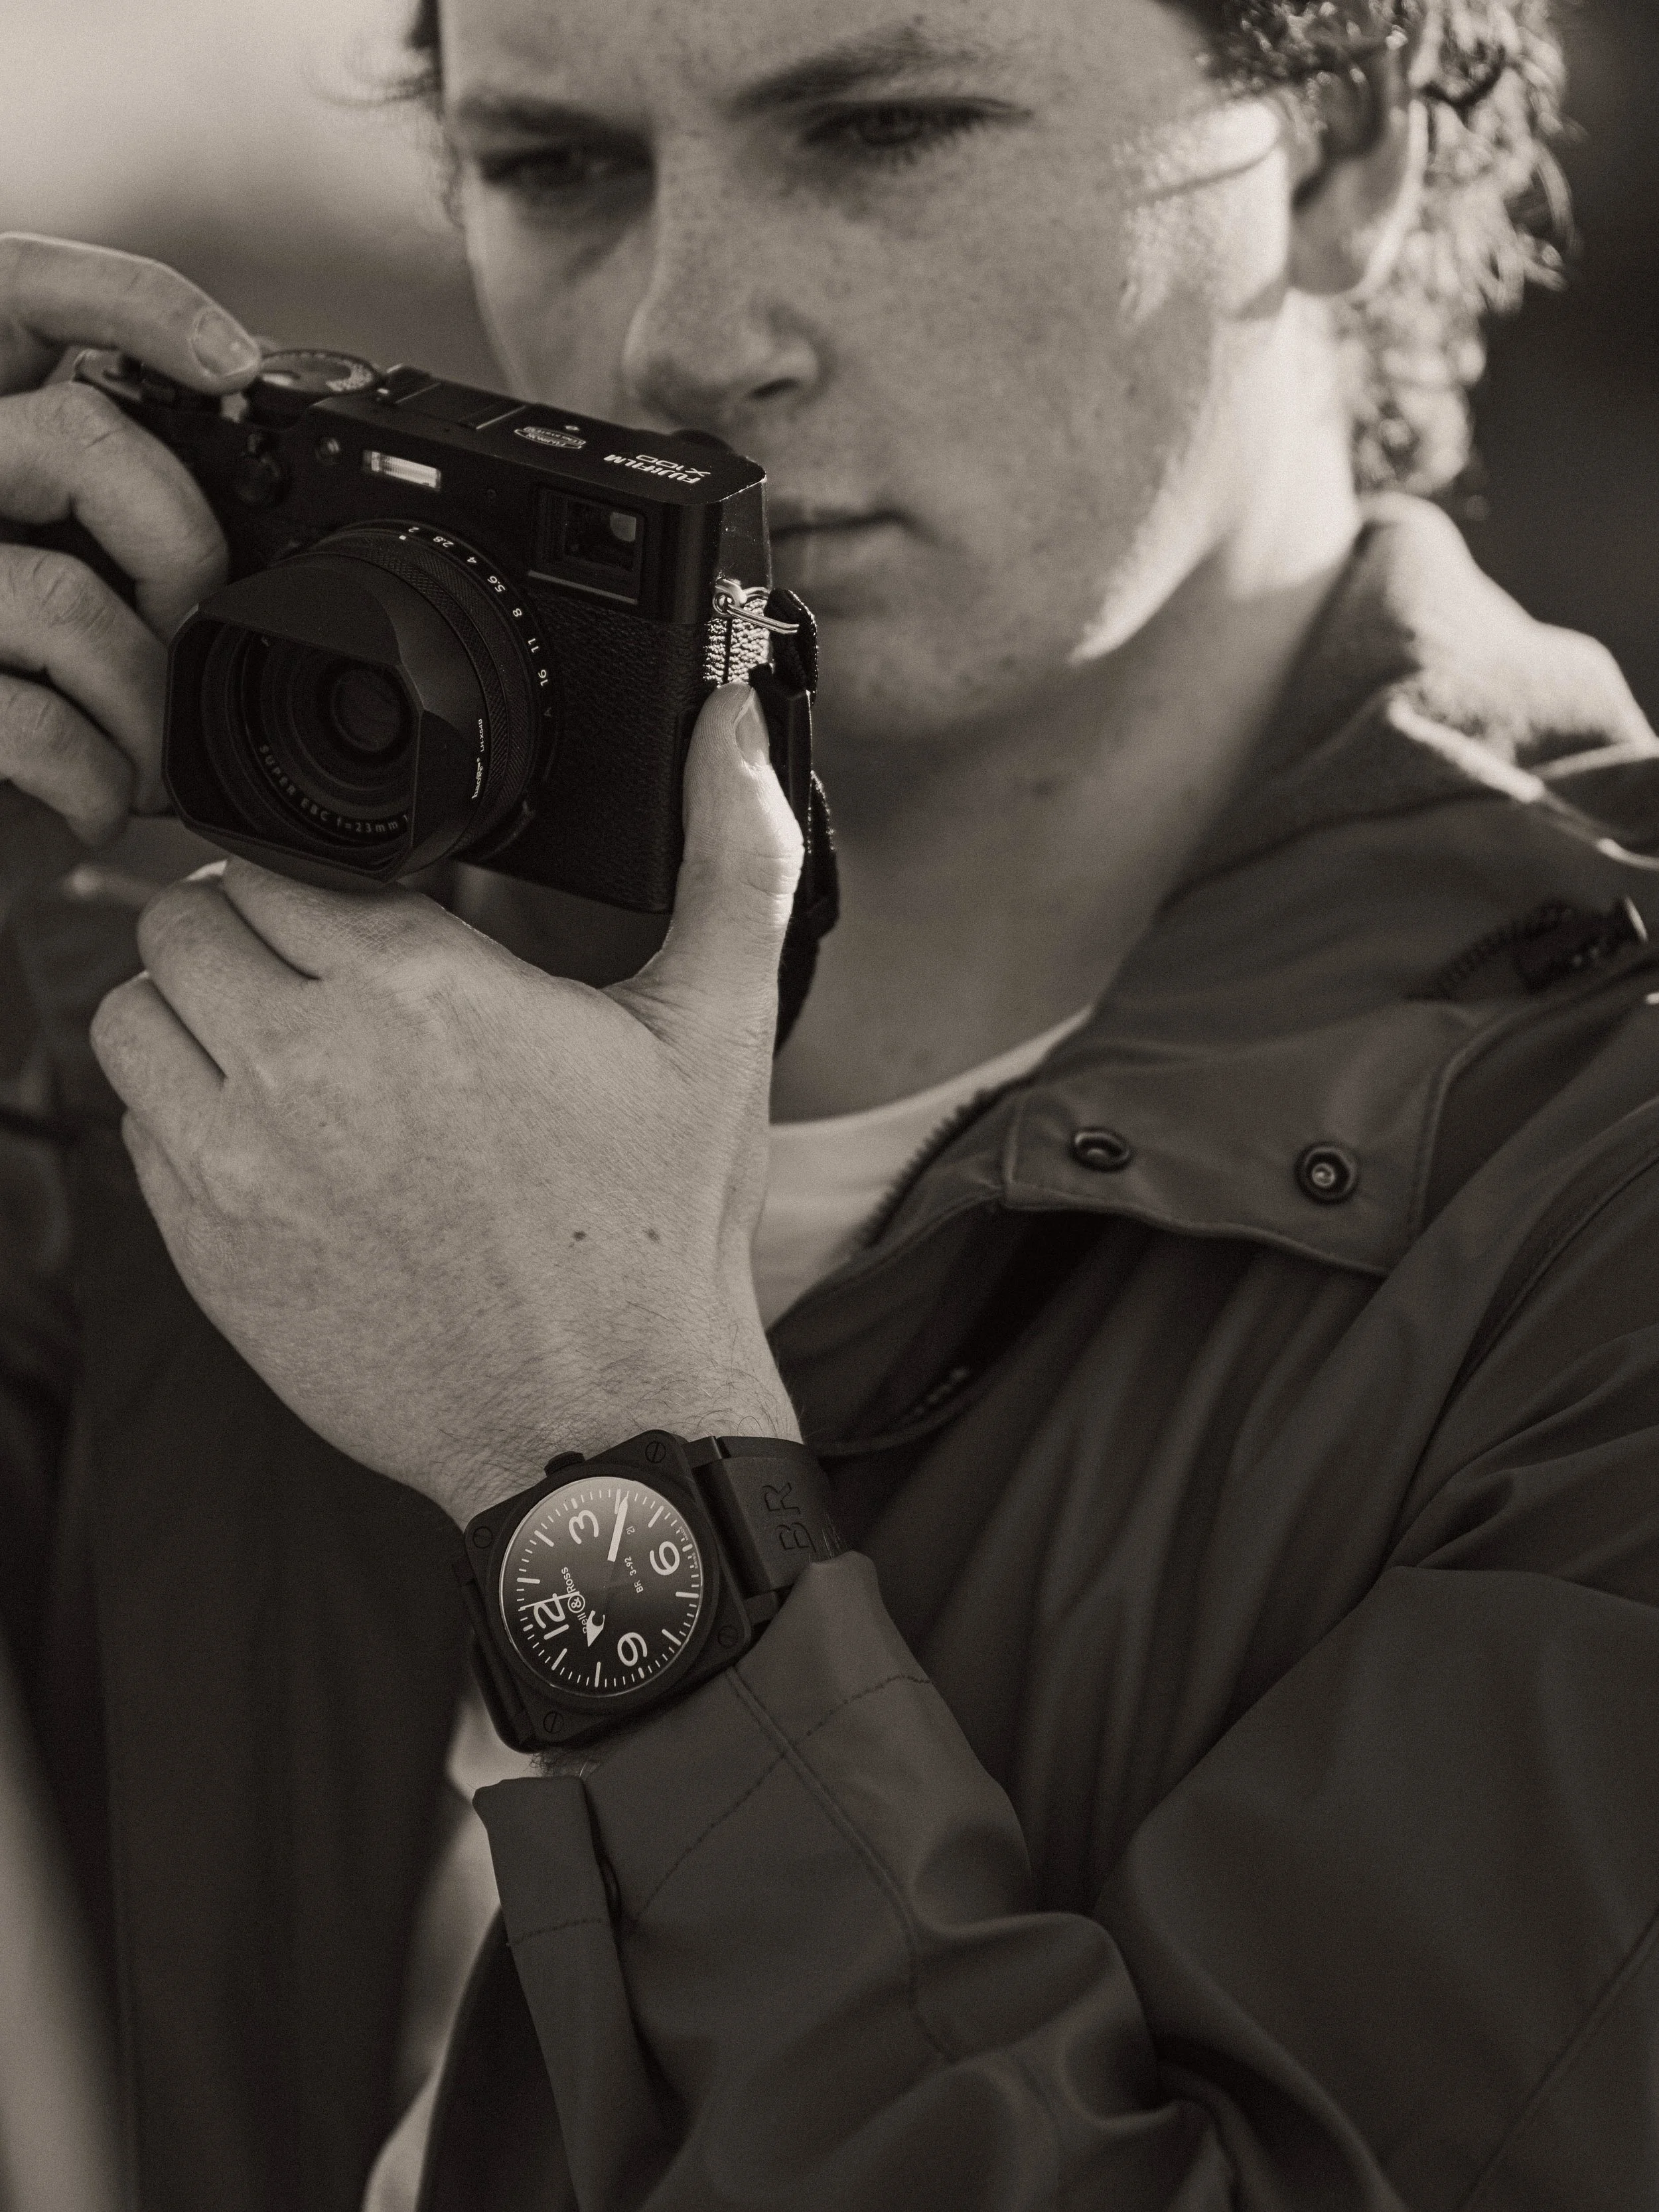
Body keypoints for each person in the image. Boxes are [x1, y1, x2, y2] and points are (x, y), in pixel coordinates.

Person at [1, 0, 1657, 2205]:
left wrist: (599, 1457)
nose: (687, 336)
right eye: (556, 168)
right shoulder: (169, 997)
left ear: (1342, 159)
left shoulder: (1595, 1179)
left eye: (885, 129)